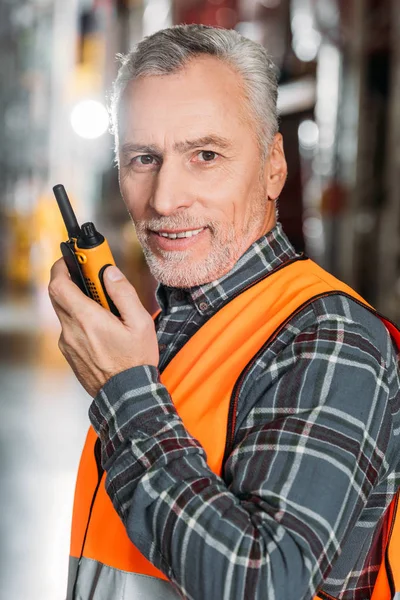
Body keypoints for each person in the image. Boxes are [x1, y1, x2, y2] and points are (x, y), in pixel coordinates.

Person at [48, 24, 400, 600]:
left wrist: (122, 392)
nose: (164, 199)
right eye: (143, 158)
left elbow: (266, 581)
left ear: (272, 167)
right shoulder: (162, 334)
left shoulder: (329, 338)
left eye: (205, 155)